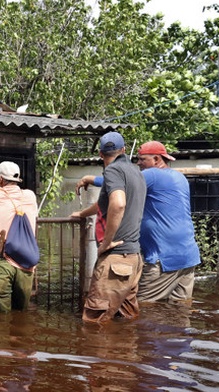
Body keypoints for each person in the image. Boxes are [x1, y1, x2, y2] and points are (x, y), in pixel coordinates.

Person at [73, 140, 201, 304]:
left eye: (142, 159)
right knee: (178, 311)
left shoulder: (152, 175)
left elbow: (116, 186)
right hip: (188, 257)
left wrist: (88, 180)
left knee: (141, 308)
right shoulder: (179, 177)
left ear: (156, 159)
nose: (138, 163)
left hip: (163, 258)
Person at [81, 131, 145, 324]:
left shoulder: (112, 171)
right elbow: (109, 203)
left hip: (116, 259)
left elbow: (117, 204)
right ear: (124, 150)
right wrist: (81, 214)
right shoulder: (137, 172)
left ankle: (103, 354)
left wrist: (106, 242)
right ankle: (126, 353)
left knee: (93, 322)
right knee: (126, 319)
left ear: (101, 154)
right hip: (134, 258)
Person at [0, 161, 39, 313]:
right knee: (22, 314)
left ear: (0, 179)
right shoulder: (29, 196)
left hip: (2, 258)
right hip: (27, 259)